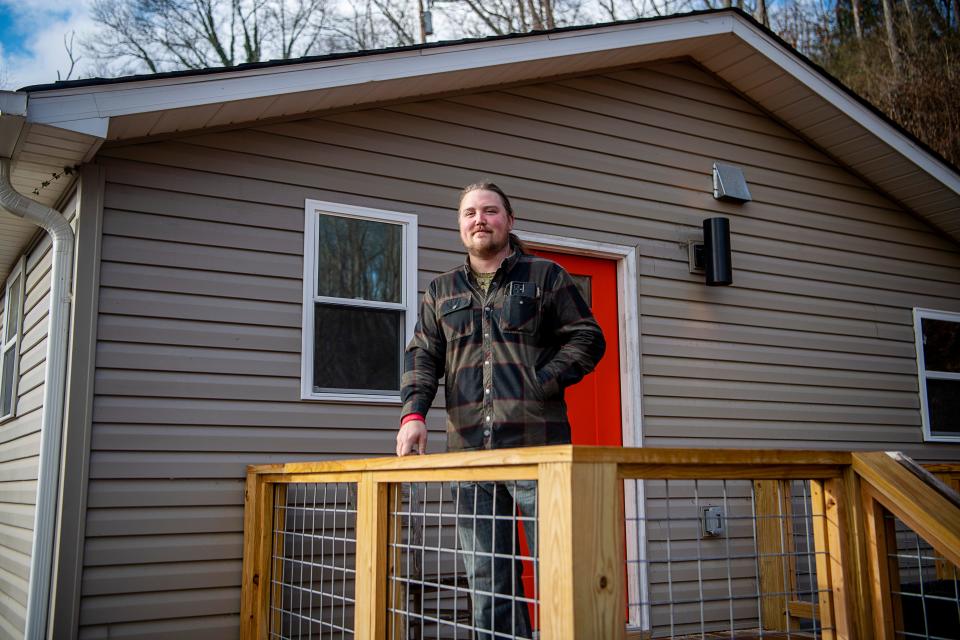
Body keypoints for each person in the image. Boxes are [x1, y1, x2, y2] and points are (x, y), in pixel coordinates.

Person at [396, 181, 605, 639]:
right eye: (469, 212)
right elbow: (422, 357)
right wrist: (414, 415)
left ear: (509, 221)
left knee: (561, 569)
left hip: (540, 451)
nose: (479, 219)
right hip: (470, 455)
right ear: (459, 225)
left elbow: (587, 337)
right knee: (489, 580)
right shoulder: (440, 290)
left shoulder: (545, 276)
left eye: (489, 211)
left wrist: (540, 379)